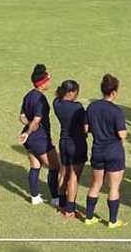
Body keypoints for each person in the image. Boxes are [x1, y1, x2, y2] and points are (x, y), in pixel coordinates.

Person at [84, 74, 128, 228]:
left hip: (97, 150)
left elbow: (86, 129)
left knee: (96, 183)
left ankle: (89, 217)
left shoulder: (92, 107)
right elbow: (122, 134)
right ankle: (113, 221)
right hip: (114, 152)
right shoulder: (117, 111)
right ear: (114, 92)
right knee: (114, 187)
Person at [18, 64, 62, 207]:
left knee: (35, 165)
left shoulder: (28, 96)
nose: (49, 82)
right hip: (40, 139)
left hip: (30, 140)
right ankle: (56, 199)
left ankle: (35, 197)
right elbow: (37, 120)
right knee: (55, 167)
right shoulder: (41, 100)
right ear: (42, 84)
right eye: (47, 80)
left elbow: (22, 117)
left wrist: (27, 131)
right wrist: (30, 130)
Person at [53, 80, 87, 218]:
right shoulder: (77, 108)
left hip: (64, 142)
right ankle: (70, 209)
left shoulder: (56, 103)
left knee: (64, 172)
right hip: (76, 143)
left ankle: (61, 203)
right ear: (71, 92)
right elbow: (86, 127)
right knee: (74, 176)